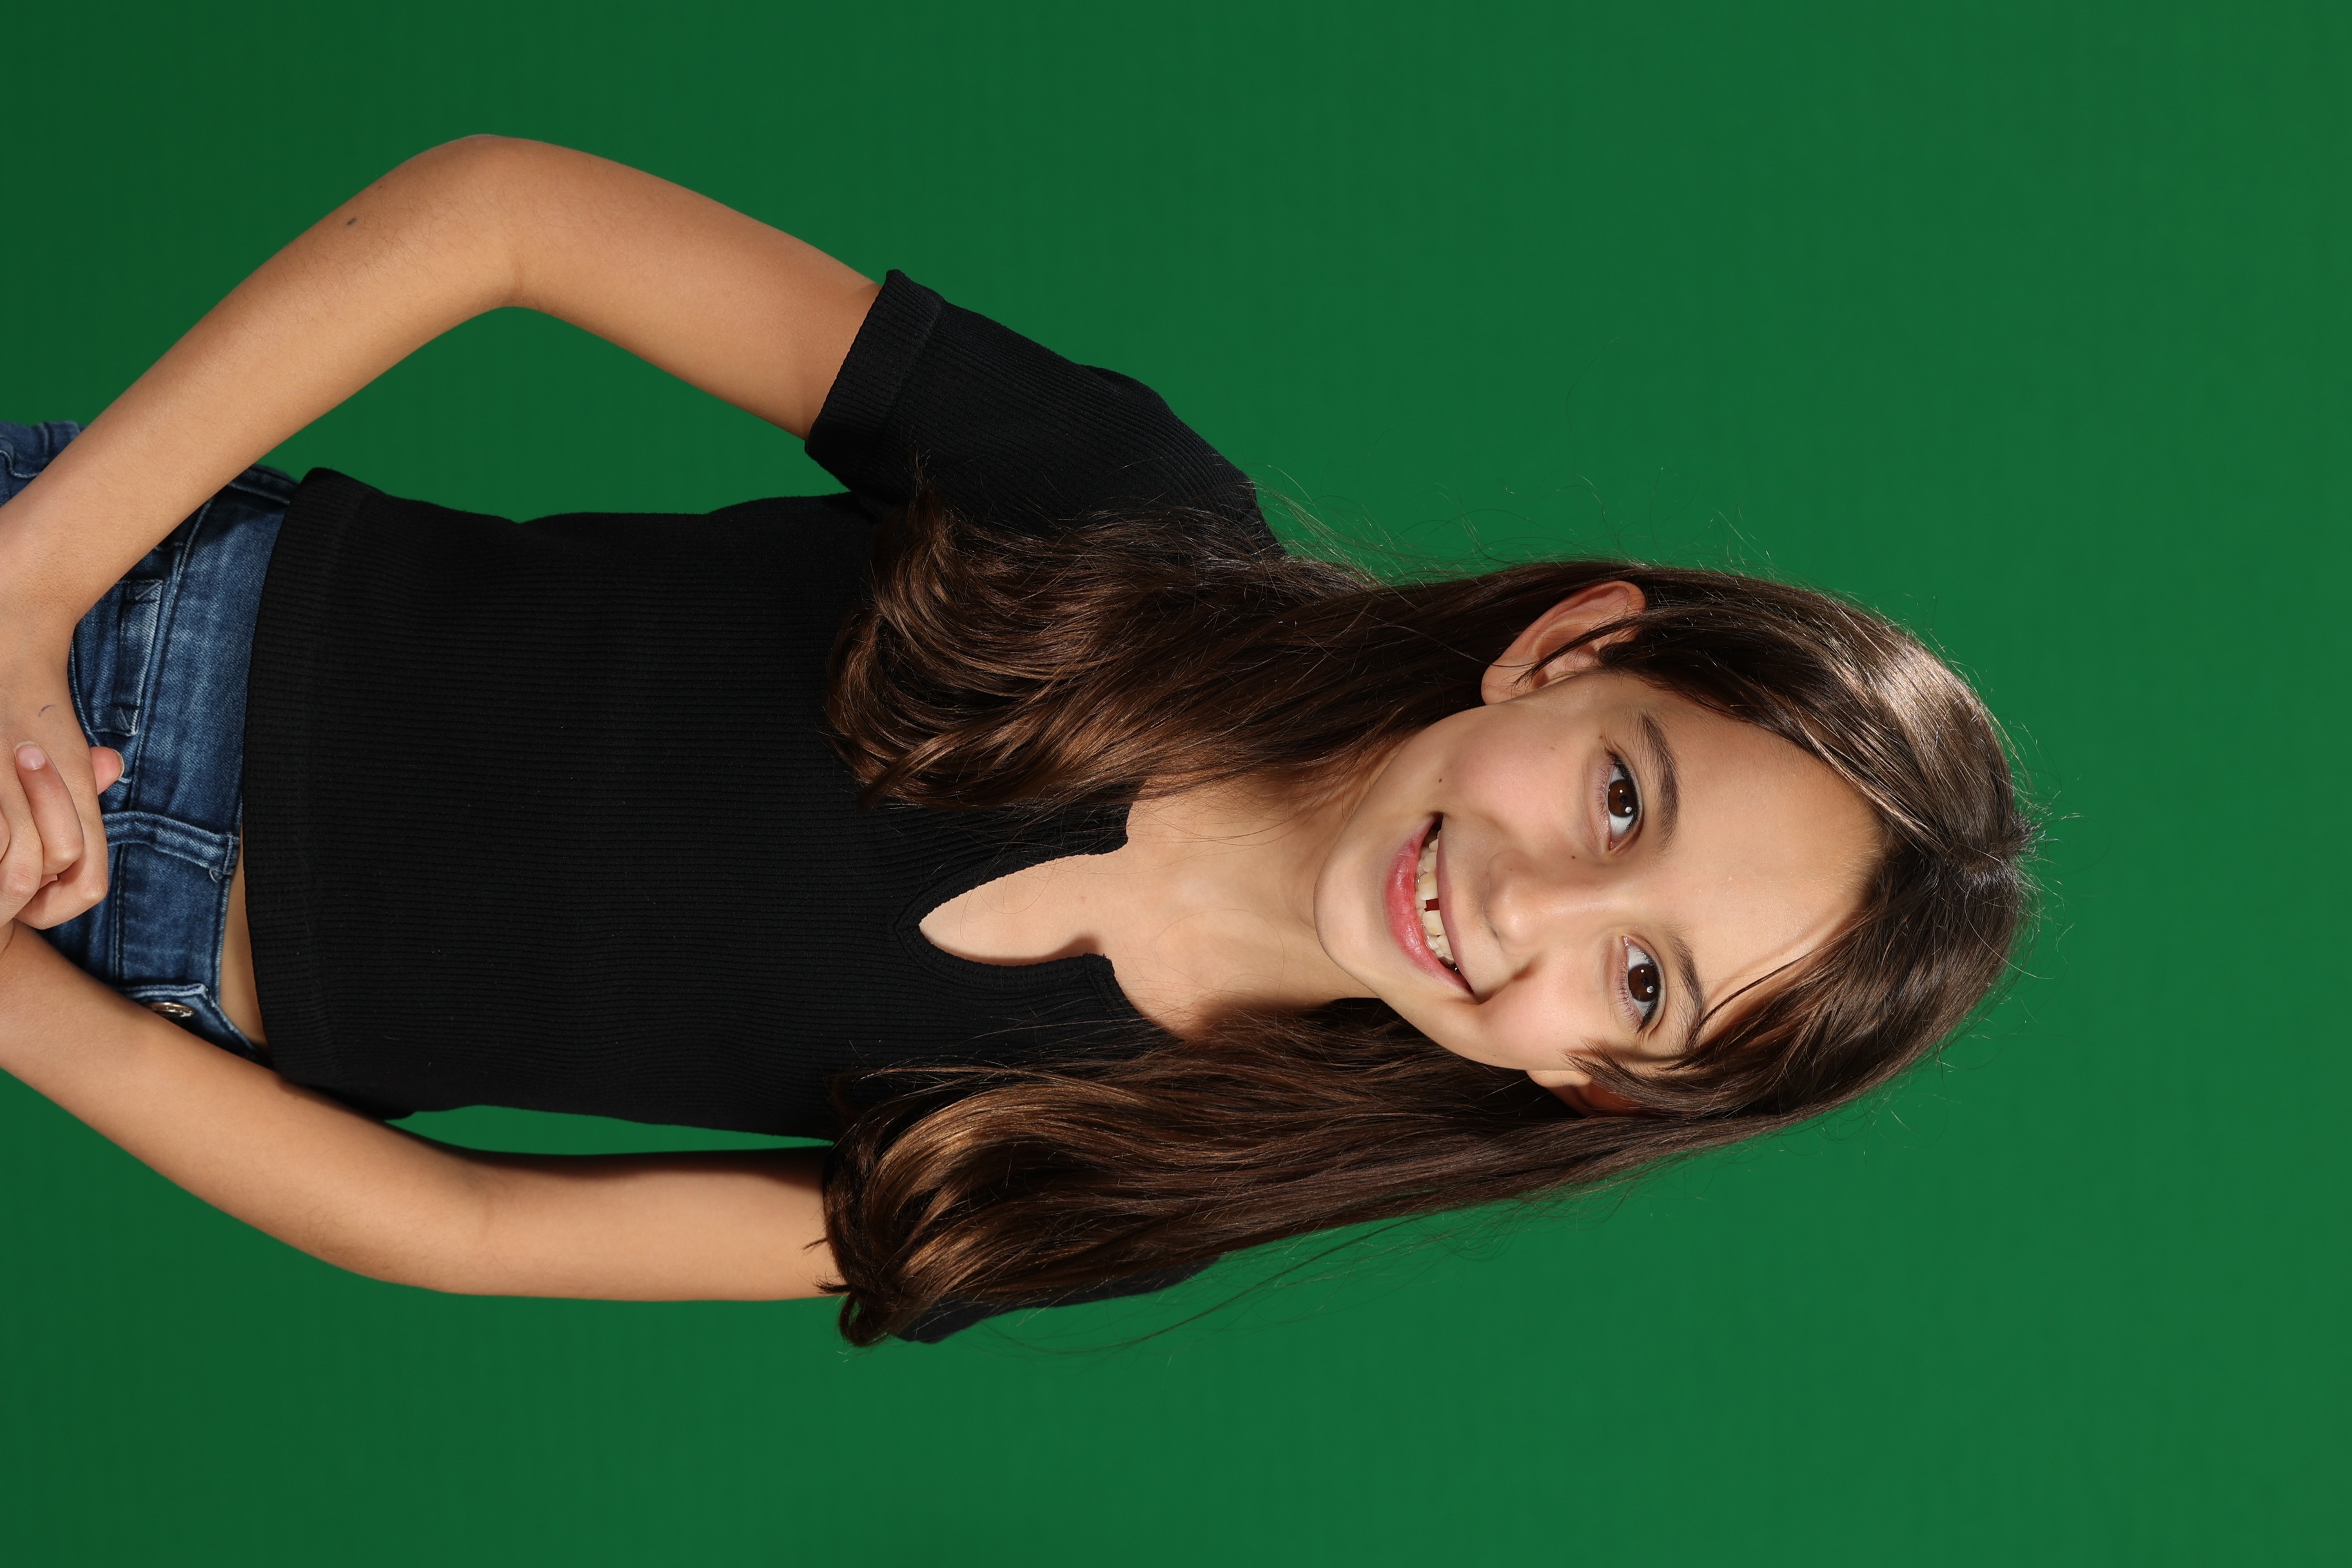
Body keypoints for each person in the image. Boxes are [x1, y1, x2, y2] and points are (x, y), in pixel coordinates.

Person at [0, 138, 2032, 1346]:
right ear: (1573, 651)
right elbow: (508, 216)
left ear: (1605, 1086)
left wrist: (24, 1004)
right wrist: (34, 589)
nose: (1533, 910)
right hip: (104, 597)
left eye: (1646, 983)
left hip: (97, 964)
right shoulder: (1120, 515)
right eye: (1620, 798)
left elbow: (472, 1233)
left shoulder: (1122, 1178)